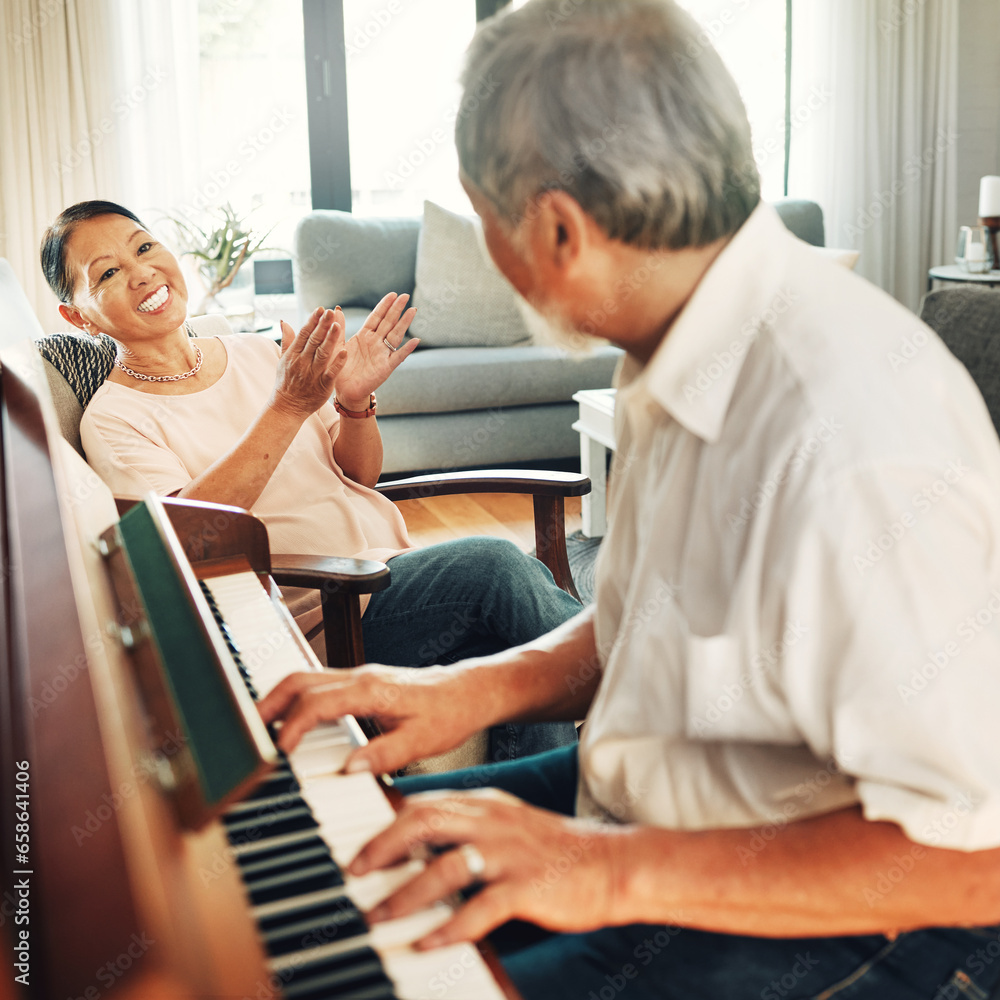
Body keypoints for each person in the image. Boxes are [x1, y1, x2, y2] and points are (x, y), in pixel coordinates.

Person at [258, 1, 1000, 997]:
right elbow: (654, 613)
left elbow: (969, 856)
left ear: (557, 230)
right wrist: (469, 688)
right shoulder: (672, 342)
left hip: (840, 913)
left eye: (484, 221)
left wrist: (602, 871)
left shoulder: (853, 442)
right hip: (646, 793)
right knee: (337, 872)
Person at [39, 199, 580, 763]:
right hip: (331, 615)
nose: (141, 272)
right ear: (77, 315)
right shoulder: (115, 417)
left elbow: (358, 473)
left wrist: (353, 403)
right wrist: (288, 406)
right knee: (495, 568)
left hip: (393, 576)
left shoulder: (256, 350)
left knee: (515, 648)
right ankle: (637, 685)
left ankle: (555, 811)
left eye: (144, 247)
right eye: (106, 273)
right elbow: (186, 538)